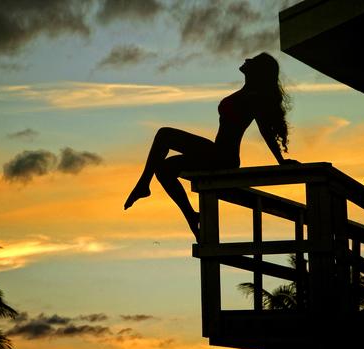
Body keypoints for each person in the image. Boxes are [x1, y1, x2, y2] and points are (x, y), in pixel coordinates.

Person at [124, 52, 296, 241]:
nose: (247, 59)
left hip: (224, 157)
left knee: (165, 135)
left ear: (257, 71)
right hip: (216, 152)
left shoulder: (253, 97)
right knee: (164, 169)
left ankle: (143, 185)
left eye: (252, 60)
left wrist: (280, 161)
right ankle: (192, 217)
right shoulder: (246, 93)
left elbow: (265, 130)